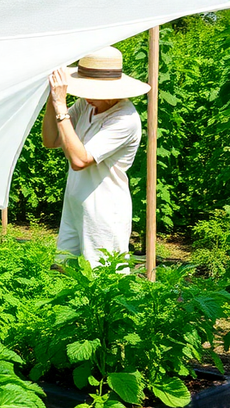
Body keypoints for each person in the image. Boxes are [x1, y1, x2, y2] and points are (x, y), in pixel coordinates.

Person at [43, 46, 149, 267]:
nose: (85, 95)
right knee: (62, 271)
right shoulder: (87, 104)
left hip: (103, 212)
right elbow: (51, 140)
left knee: (102, 281)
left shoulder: (124, 118)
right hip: (75, 205)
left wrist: (61, 106)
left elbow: (80, 160)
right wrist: (52, 100)